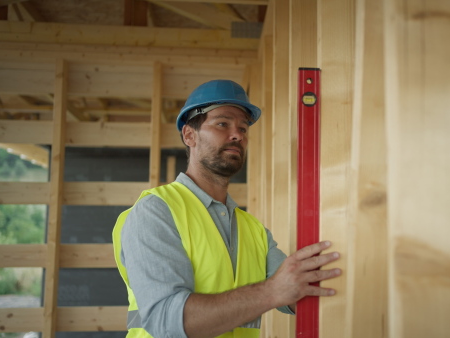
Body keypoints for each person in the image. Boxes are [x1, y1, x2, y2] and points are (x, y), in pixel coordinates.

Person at [112, 79, 341, 338]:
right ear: (189, 135)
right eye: (222, 124)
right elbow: (167, 320)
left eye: (243, 128)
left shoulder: (253, 230)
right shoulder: (156, 212)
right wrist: (272, 291)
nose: (238, 135)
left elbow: (296, 291)